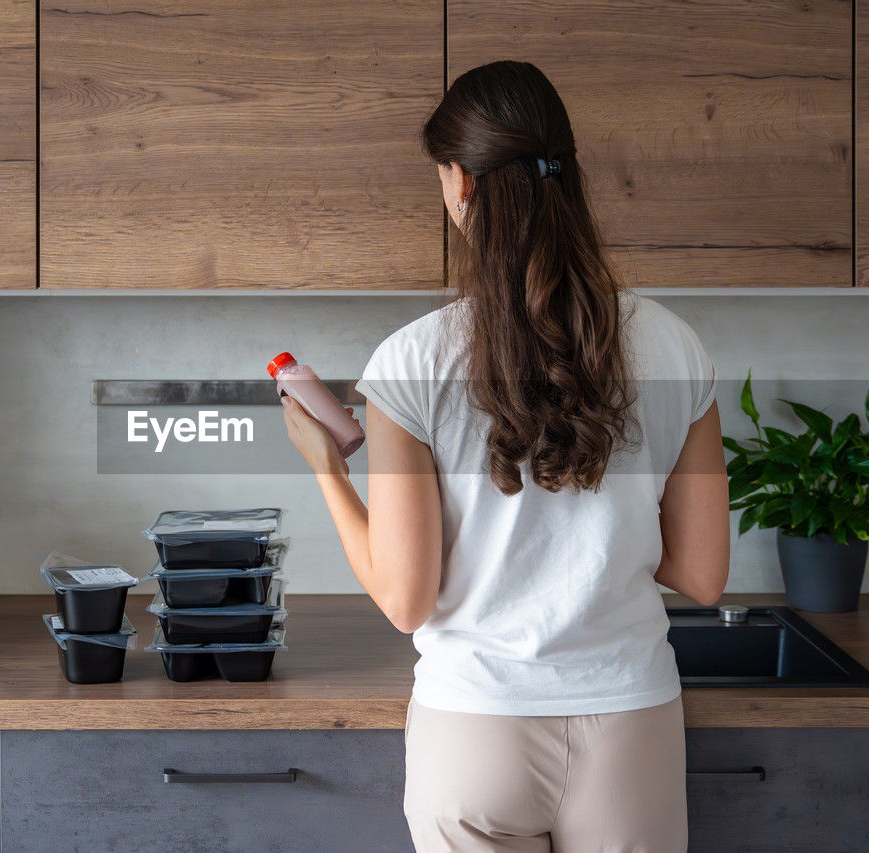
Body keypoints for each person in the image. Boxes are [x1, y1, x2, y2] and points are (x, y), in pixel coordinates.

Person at [280, 60, 729, 852]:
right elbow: (701, 572)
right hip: (630, 725)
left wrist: (327, 466)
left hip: (476, 729)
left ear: (460, 182)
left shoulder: (410, 365)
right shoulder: (674, 345)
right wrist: (602, 533)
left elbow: (405, 600)